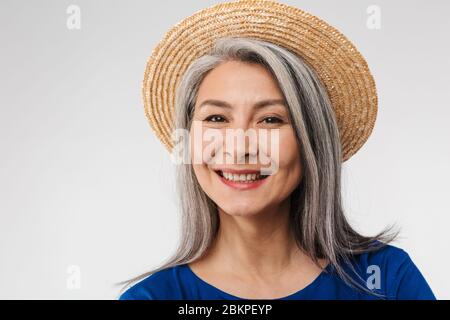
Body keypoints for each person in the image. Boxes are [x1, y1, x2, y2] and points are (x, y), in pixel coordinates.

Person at [119, 0, 435, 300]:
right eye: (217, 118)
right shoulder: (153, 297)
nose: (239, 147)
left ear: (310, 140)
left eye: (270, 119)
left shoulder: (386, 279)